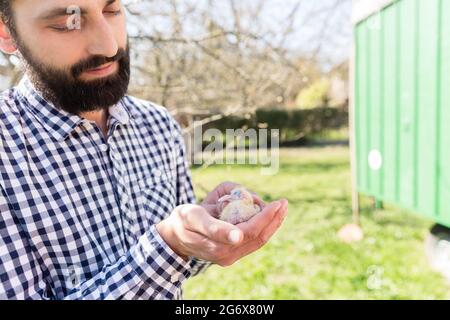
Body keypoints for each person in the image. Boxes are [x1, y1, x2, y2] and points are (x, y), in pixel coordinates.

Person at [0, 0, 288, 300]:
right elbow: (165, 255)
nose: (109, 46)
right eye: (65, 23)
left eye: (112, 11)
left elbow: (179, 267)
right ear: (7, 32)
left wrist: (204, 233)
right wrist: (167, 246)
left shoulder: (158, 124)